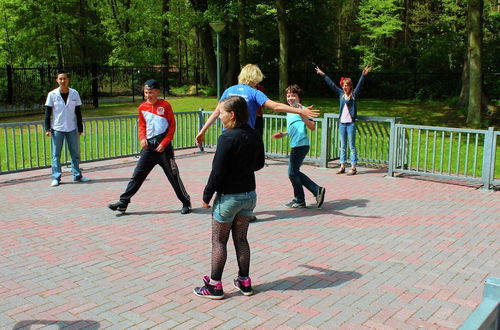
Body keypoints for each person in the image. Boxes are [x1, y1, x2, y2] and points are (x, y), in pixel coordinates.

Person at [193, 96, 264, 300]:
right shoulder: (253, 134)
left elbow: (217, 172)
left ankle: (214, 285)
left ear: (232, 115)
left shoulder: (227, 138)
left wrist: (206, 195)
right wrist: (243, 168)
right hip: (249, 195)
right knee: (241, 239)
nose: (219, 116)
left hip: (228, 198)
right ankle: (244, 281)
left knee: (219, 240)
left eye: (221, 113)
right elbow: (259, 163)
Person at [108, 79, 192, 214]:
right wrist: (142, 138)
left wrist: (164, 143)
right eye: (146, 92)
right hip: (148, 148)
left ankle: (185, 202)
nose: (148, 95)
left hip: (164, 149)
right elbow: (142, 125)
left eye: (151, 92)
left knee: (173, 175)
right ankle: (123, 202)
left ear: (157, 92)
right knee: (137, 175)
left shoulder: (165, 105)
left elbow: (172, 126)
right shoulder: (142, 107)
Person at [195, 64, 320, 147]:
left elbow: (216, 113)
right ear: (255, 78)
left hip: (226, 138)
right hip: (244, 138)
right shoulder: (255, 92)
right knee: (244, 174)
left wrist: (202, 132)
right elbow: (276, 106)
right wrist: (300, 111)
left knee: (226, 171)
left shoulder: (228, 90)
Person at [272, 84, 326, 208]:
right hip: (295, 144)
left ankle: (311, 193)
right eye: (288, 95)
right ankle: (304, 197)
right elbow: (295, 127)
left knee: (292, 173)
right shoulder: (289, 111)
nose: (290, 98)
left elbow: (312, 127)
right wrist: (283, 134)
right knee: (294, 172)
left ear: (299, 97)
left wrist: (302, 114)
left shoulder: (303, 109)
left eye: (293, 95)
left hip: (301, 144)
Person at [315, 65, 371, 175]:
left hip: (350, 124)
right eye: (343, 85)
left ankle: (353, 167)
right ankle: (342, 166)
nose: (345, 87)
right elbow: (331, 84)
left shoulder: (353, 95)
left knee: (352, 146)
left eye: (347, 85)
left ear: (350, 87)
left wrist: (363, 76)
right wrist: (323, 74)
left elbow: (360, 85)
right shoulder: (341, 94)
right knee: (343, 146)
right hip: (342, 124)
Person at [44, 70, 90, 187]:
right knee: (56, 154)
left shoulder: (74, 93)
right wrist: (47, 129)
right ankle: (56, 177)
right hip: (57, 128)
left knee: (75, 153)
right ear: (57, 80)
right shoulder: (52, 94)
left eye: (65, 79)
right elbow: (47, 113)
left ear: (68, 80)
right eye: (60, 79)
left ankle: (77, 175)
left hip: (71, 127)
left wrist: (80, 128)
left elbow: (78, 112)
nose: (63, 81)